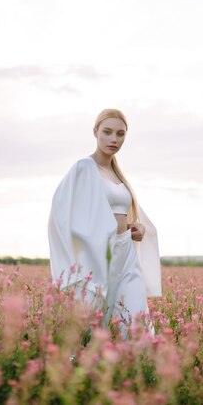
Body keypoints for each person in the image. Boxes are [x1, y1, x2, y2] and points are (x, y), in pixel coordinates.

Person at [48, 108, 161, 338]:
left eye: (120, 134)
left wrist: (136, 226)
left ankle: (144, 371)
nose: (114, 139)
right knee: (92, 319)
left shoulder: (118, 174)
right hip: (98, 255)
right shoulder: (84, 167)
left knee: (137, 316)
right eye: (107, 132)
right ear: (95, 132)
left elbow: (123, 213)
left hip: (126, 251)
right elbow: (60, 213)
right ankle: (80, 367)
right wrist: (90, 240)